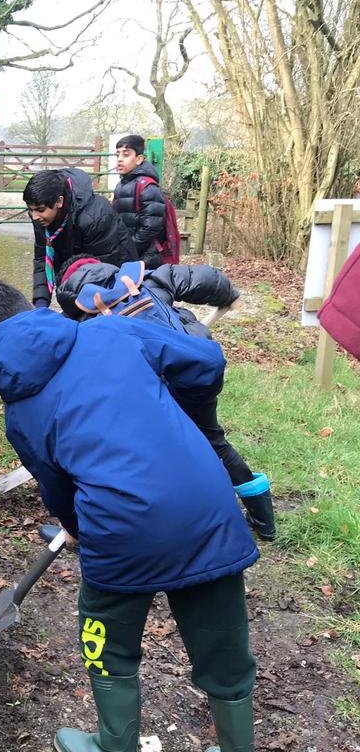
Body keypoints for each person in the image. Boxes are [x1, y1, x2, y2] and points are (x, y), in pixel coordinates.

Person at [0, 281, 262, 752]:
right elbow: (206, 360)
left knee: (104, 633)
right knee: (224, 647)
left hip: (122, 534)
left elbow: (55, 487)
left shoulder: (20, 413)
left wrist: (75, 524)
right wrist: (183, 411)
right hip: (205, 507)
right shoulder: (113, 332)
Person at [54, 256, 276, 540]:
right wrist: (228, 294)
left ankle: (149, 525)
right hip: (194, 370)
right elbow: (203, 278)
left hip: (144, 390)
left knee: (143, 453)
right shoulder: (147, 280)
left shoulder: (81, 320)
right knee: (213, 441)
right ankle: (264, 521)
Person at [23, 168, 136, 308]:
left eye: (40, 210)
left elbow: (103, 274)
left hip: (115, 275)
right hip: (78, 272)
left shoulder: (95, 217)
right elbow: (42, 258)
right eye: (30, 209)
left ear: (59, 201)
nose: (34, 216)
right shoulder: (42, 218)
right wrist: (41, 305)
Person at [112, 134, 167, 269]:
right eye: (117, 155)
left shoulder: (148, 187)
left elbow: (151, 227)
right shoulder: (121, 185)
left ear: (139, 159)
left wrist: (130, 249)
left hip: (145, 259)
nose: (119, 159)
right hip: (127, 255)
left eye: (126, 155)